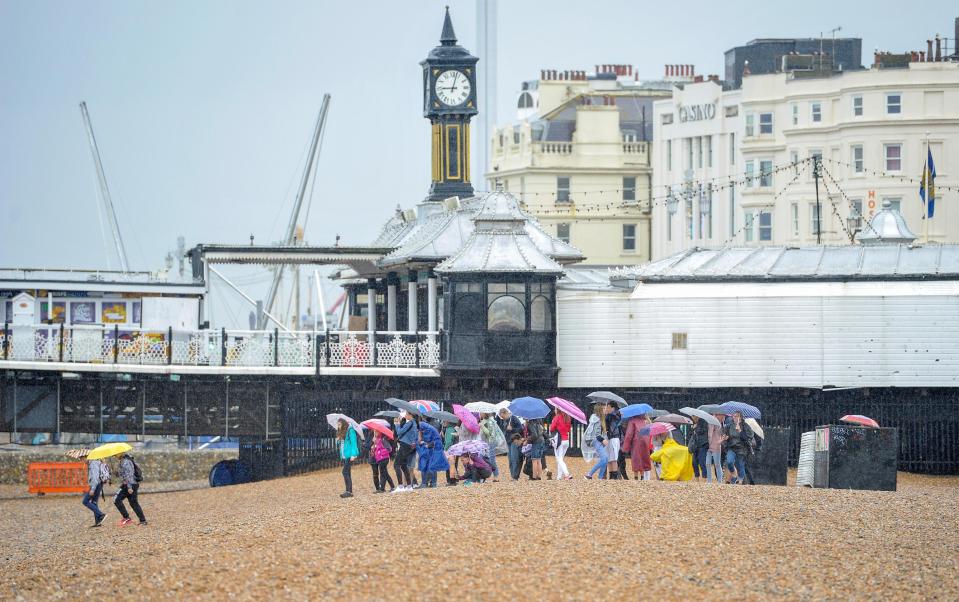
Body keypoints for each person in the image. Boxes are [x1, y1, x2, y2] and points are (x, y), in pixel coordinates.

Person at [114, 452, 147, 526]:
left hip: (130, 485)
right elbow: (124, 474)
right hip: (131, 484)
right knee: (133, 503)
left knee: (116, 499)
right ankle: (142, 520)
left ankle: (127, 518)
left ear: (120, 454)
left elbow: (129, 475)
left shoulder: (126, 462)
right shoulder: (123, 461)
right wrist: (117, 473)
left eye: (115, 455)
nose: (115, 456)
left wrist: (129, 487)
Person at [417, 420, 449, 488]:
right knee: (429, 466)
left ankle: (426, 483)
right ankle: (431, 483)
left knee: (427, 466)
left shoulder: (426, 429)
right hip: (432, 449)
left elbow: (425, 440)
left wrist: (422, 441)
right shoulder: (429, 428)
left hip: (431, 449)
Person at [621, 415, 652, 480]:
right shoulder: (646, 421)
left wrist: (625, 447)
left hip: (636, 442)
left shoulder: (632, 421)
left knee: (636, 459)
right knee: (643, 458)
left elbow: (629, 434)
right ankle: (642, 477)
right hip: (646, 442)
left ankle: (636, 477)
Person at [82, 453, 109, 527]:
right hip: (98, 484)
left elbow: (95, 478)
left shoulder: (93, 464)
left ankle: (101, 514)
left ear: (86, 457)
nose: (82, 461)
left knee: (85, 501)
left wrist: (92, 489)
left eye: (82, 458)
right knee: (94, 502)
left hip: (96, 485)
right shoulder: (93, 462)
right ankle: (98, 522)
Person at [496, 407, 523, 480]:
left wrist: (512, 429)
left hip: (514, 441)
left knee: (515, 459)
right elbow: (503, 430)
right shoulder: (504, 421)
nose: (502, 418)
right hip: (507, 441)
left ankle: (515, 476)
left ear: (505, 413)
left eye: (502, 416)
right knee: (510, 459)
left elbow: (521, 429)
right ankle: (512, 475)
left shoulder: (514, 418)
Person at [723, 411, 750, 484]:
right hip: (732, 447)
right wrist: (726, 438)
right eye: (733, 416)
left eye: (736, 416)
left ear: (740, 417)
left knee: (740, 465)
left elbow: (747, 438)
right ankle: (734, 474)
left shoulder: (745, 426)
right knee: (729, 462)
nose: (734, 417)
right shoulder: (729, 426)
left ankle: (740, 481)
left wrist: (740, 431)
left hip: (741, 448)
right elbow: (726, 436)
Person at [394, 411, 418, 491]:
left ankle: (400, 486)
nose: (405, 415)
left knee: (396, 464)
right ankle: (409, 486)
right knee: (404, 465)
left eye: (407, 414)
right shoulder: (414, 423)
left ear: (411, 415)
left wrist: (397, 424)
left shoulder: (410, 423)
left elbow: (399, 432)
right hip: (408, 446)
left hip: (404, 445)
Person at [337, 419, 359, 498]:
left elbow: (354, 443)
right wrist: (338, 440)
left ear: (343, 424)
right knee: (348, 473)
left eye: (339, 424)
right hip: (344, 455)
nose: (338, 426)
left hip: (349, 455)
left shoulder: (350, 430)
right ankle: (349, 491)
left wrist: (353, 454)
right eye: (338, 425)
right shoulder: (342, 432)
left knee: (344, 472)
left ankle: (348, 491)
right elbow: (341, 444)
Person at [479, 413, 503, 482]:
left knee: (491, 460)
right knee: (483, 459)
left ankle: (496, 476)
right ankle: (483, 477)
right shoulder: (483, 420)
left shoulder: (491, 421)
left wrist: (482, 426)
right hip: (484, 443)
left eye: (481, 412)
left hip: (491, 442)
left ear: (485, 413)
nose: (480, 414)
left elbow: (489, 434)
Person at [549, 410, 572, 480]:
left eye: (555, 408)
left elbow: (551, 428)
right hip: (566, 441)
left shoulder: (557, 417)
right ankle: (559, 477)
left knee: (559, 459)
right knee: (560, 459)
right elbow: (568, 430)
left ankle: (567, 474)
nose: (555, 410)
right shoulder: (568, 418)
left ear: (558, 409)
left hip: (559, 441)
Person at [604, 404, 623, 480]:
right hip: (609, 437)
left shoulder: (615, 415)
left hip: (614, 438)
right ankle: (611, 475)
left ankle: (614, 476)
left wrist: (607, 414)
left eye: (608, 407)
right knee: (609, 457)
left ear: (613, 408)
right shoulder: (611, 415)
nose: (607, 409)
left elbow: (614, 416)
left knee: (614, 458)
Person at [704, 414, 725, 484]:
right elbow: (709, 434)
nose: (723, 417)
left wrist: (720, 441)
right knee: (708, 464)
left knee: (717, 464)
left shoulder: (719, 423)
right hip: (710, 445)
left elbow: (720, 435)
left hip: (715, 445)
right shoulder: (711, 422)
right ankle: (710, 481)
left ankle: (719, 481)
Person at [687, 416, 709, 481]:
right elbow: (690, 435)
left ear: (697, 416)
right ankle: (697, 478)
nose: (692, 418)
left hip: (703, 445)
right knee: (694, 462)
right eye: (692, 416)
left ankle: (704, 479)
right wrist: (692, 429)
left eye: (693, 416)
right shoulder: (693, 423)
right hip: (695, 446)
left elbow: (703, 431)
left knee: (702, 462)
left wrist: (695, 428)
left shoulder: (703, 422)